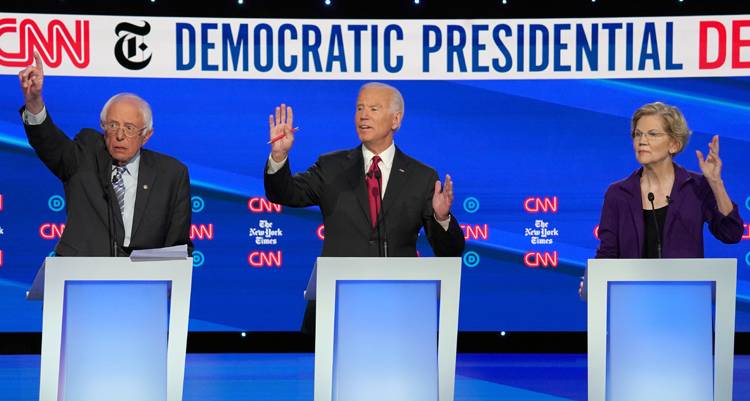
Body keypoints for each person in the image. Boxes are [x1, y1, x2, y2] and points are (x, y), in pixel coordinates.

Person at [264, 82, 465, 333]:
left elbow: (450, 251)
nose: (363, 115)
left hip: (399, 308)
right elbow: (284, 193)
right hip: (334, 306)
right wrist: (279, 157)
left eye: (373, 108)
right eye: (359, 108)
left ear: (396, 119)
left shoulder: (421, 177)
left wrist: (441, 216)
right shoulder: (332, 167)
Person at [19, 53, 192, 257]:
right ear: (103, 128)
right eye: (113, 125)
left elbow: (177, 247)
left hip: (144, 282)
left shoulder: (171, 174)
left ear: (146, 136)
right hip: (82, 275)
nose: (120, 135)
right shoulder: (86, 154)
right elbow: (50, 144)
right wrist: (34, 103)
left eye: (129, 128)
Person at [581, 102, 744, 297]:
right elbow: (608, 254)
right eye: (637, 134)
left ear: (674, 144)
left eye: (652, 134)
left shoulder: (696, 187)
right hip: (631, 303)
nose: (642, 140)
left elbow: (731, 233)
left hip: (686, 302)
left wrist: (715, 182)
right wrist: (594, 285)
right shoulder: (618, 194)